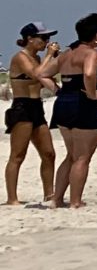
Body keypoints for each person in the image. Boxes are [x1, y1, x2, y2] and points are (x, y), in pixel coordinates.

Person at [48, 14, 97, 208]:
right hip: (83, 103)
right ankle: (75, 201)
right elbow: (89, 74)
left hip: (64, 102)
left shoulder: (66, 54)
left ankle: (57, 199)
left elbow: (41, 74)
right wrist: (92, 94)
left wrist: (58, 90)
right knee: (82, 157)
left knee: (71, 155)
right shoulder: (91, 53)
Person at [6, 23, 57, 206]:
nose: (46, 42)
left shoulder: (37, 58)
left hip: (37, 106)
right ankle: (12, 198)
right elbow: (36, 74)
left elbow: (48, 78)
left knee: (49, 153)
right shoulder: (21, 58)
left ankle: (49, 193)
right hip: (22, 107)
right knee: (18, 154)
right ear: (30, 39)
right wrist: (49, 56)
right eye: (43, 38)